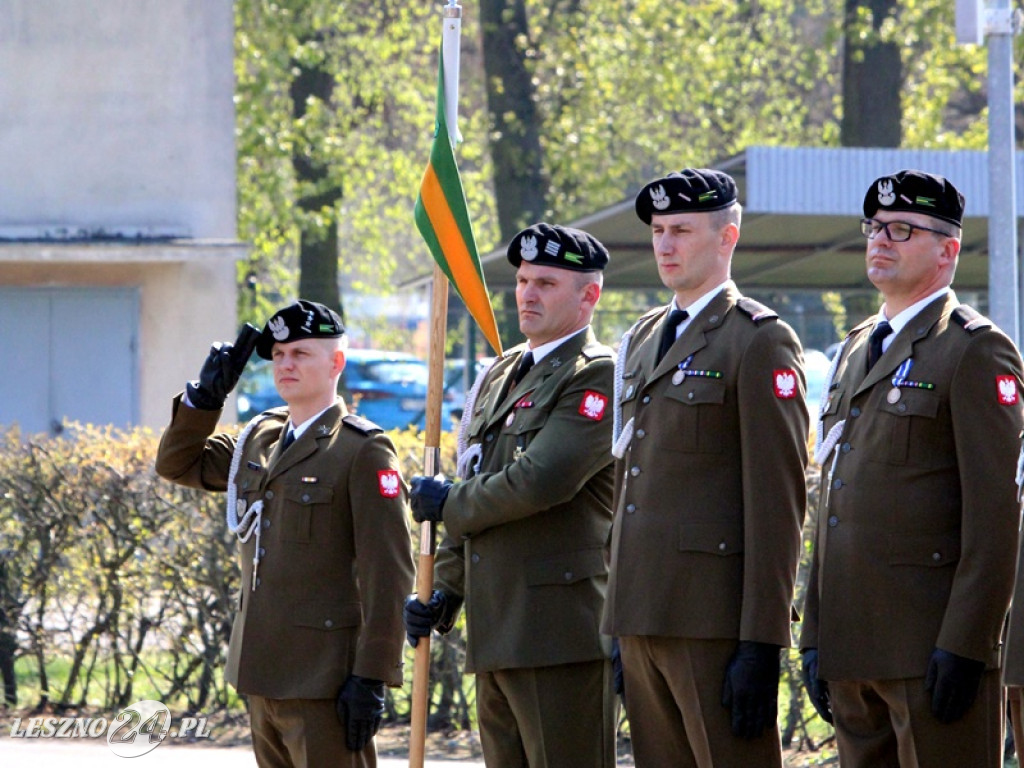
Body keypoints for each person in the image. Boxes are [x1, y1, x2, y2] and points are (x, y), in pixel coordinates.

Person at [800, 170, 1024, 768]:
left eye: (902, 229)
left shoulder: (974, 350)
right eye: (874, 227)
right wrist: (814, 634)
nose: (881, 239)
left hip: (930, 650)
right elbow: (834, 501)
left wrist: (967, 645)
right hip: (852, 649)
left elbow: (996, 519)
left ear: (947, 251)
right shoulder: (855, 349)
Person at [601, 168, 809, 767]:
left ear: (728, 237)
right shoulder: (642, 338)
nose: (665, 245)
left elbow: (779, 501)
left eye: (682, 230)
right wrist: (619, 618)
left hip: (713, 619)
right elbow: (628, 481)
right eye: (659, 231)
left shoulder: (758, 340)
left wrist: (762, 641)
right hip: (642, 612)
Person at [155, 299, 415, 768]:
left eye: (300, 353)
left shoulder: (362, 450)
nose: (285, 364)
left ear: (336, 362)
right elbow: (176, 464)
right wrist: (204, 399)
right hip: (261, 670)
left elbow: (390, 571)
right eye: (277, 356)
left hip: (324, 680)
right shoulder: (262, 437)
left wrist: (372, 676)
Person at [404, 223, 617, 767]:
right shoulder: (504, 374)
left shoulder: (597, 375)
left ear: (588, 295)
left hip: (558, 630)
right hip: (497, 625)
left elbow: (542, 479)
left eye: (545, 283)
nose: (526, 294)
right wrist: (445, 588)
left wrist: (448, 502)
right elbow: (478, 476)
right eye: (522, 280)